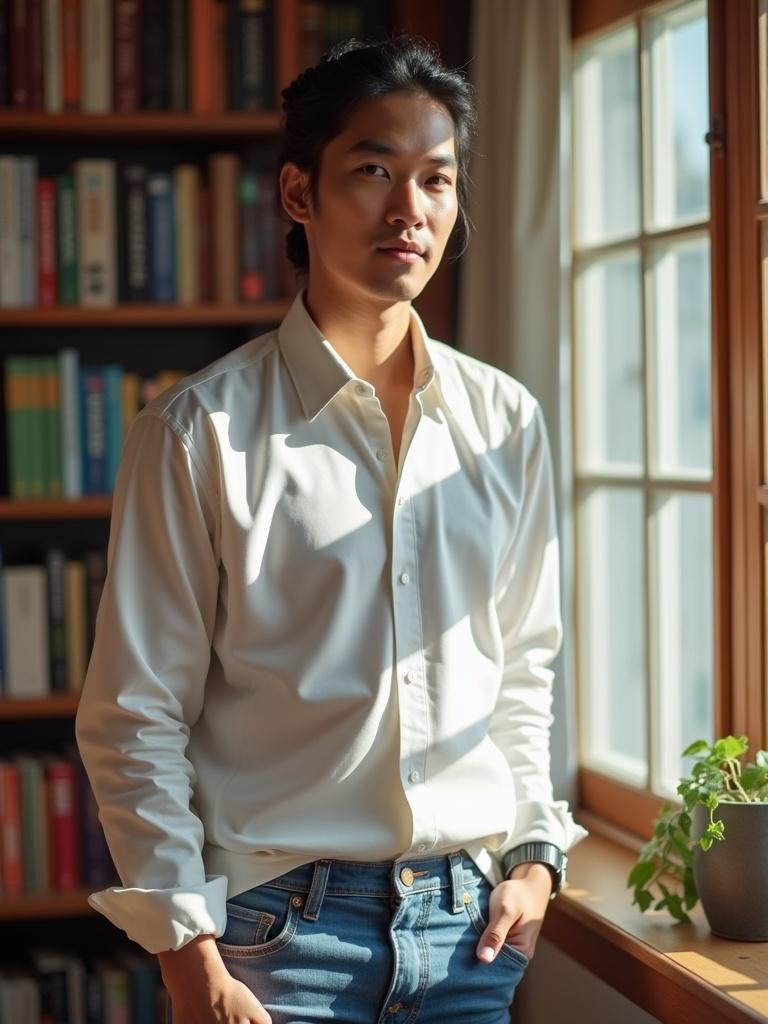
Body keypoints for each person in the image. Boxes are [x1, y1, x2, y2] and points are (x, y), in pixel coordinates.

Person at [75, 34, 586, 1024]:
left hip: (470, 935)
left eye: (436, 179)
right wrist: (191, 959)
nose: (410, 209)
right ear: (299, 195)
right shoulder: (197, 433)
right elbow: (136, 715)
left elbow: (524, 667)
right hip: (277, 939)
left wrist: (535, 861)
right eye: (373, 171)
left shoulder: (507, 424)